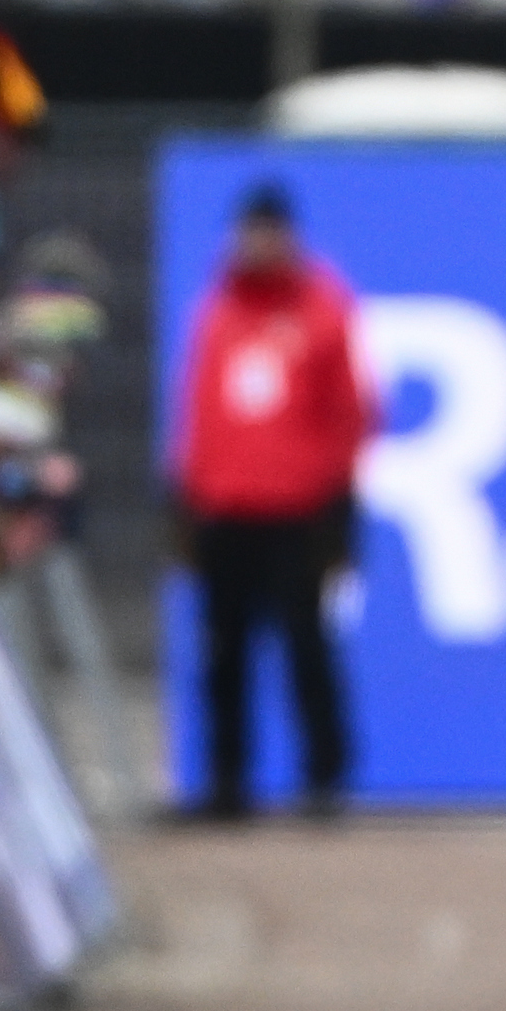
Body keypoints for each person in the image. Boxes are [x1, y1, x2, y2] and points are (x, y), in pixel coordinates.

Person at [170, 180, 375, 822]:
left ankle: (324, 777)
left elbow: (351, 412)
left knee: (306, 647)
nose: (256, 245)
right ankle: (227, 781)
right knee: (223, 653)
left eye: (268, 233)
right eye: (247, 233)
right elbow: (199, 410)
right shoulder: (219, 308)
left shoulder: (322, 308)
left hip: (299, 508)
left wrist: (339, 502)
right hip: (226, 507)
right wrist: (185, 492)